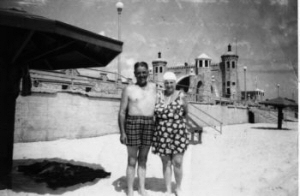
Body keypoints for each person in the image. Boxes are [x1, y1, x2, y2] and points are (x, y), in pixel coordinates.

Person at [118, 61, 156, 196]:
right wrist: (122, 132)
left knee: (143, 159)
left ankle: (141, 188)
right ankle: (129, 189)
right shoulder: (128, 89)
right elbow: (122, 112)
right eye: (139, 73)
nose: (141, 75)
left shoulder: (154, 88)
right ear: (134, 74)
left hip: (149, 124)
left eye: (144, 72)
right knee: (132, 159)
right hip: (132, 124)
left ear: (148, 73)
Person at [152, 72, 189, 196]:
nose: (169, 85)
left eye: (171, 82)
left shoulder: (181, 95)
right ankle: (168, 189)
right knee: (166, 162)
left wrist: (176, 124)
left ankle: (178, 188)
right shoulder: (159, 96)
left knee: (177, 162)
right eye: (166, 83)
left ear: (175, 83)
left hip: (178, 133)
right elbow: (154, 113)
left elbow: (185, 112)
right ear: (164, 84)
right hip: (161, 134)